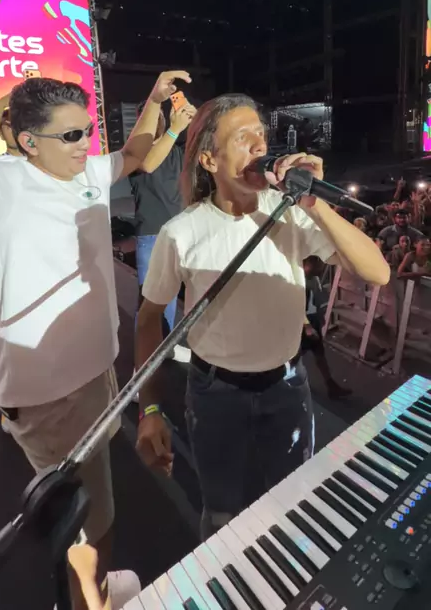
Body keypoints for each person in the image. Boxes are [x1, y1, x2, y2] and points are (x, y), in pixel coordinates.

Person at [0, 0, 191, 610]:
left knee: (81, 498)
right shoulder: (0, 185)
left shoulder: (79, 171)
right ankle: (92, 600)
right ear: (26, 141)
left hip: (94, 374)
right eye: (72, 134)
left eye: (88, 129)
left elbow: (136, 155)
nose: (88, 143)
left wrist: (157, 105)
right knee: (97, 522)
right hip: (54, 396)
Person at [135, 94, 390, 538]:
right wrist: (150, 407)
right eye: (242, 137)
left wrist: (314, 203)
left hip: (287, 387)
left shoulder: (291, 215)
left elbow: (378, 272)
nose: (259, 145)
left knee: (293, 505)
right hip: (214, 393)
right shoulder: (182, 233)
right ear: (210, 160)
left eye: (261, 135)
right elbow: (147, 319)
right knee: (222, 513)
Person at [130, 99, 196, 362]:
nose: (155, 119)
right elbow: (148, 164)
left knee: (188, 296)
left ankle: (165, 348)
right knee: (153, 304)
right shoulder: (135, 153)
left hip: (183, 233)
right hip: (152, 236)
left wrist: (194, 121)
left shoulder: (177, 150)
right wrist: (174, 130)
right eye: (149, 115)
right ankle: (143, 366)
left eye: (159, 114)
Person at [301, 256, 351, 400]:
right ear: (309, 263)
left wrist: (319, 319)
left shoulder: (314, 279)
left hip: (312, 321)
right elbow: (296, 306)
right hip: (302, 325)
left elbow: (316, 302)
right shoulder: (299, 280)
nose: (322, 268)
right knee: (294, 357)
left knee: (319, 354)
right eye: (318, 264)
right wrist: (307, 326)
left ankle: (330, 385)